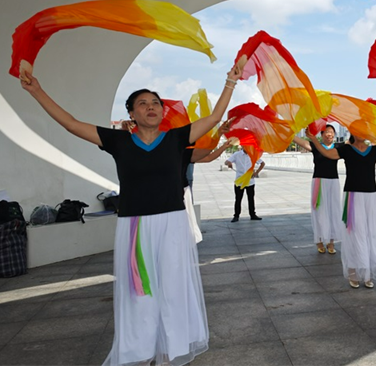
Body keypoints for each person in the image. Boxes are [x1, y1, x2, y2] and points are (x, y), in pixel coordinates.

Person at [21, 65, 240, 366]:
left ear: (162, 111)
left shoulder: (176, 139)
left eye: (156, 103)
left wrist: (230, 81)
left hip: (173, 223)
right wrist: (36, 90)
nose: (151, 107)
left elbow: (214, 118)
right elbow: (71, 124)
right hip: (135, 225)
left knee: (173, 286)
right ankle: (140, 350)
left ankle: (173, 346)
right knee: (140, 291)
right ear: (132, 113)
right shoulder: (118, 141)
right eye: (143, 103)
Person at [309, 131, 376, 289]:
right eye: (357, 129)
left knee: (371, 233)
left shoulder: (374, 150)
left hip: (371, 196)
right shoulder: (346, 149)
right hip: (353, 195)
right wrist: (313, 139)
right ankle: (353, 273)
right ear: (352, 132)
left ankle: (367, 273)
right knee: (354, 233)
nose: (361, 133)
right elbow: (327, 153)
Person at [121, 119, 234, 242]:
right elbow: (127, 149)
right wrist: (125, 132)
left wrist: (220, 139)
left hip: (178, 197)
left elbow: (208, 156)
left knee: (179, 233)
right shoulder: (144, 152)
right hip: (151, 199)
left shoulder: (179, 152)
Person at [292, 125, 343, 254]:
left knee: (333, 212)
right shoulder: (315, 146)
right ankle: (319, 240)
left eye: (331, 132)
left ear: (334, 134)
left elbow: (354, 143)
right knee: (319, 211)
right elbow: (297, 140)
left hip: (333, 182)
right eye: (326, 132)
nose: (329, 134)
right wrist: (288, 130)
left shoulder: (339, 147)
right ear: (321, 135)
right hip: (319, 182)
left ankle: (331, 242)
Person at [225, 151, 265, 222]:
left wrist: (256, 172)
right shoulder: (237, 154)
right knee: (238, 199)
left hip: (250, 181)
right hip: (240, 180)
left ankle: (252, 215)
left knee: (251, 198)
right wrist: (229, 163)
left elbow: (262, 163)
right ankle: (236, 216)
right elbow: (226, 161)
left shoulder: (253, 154)